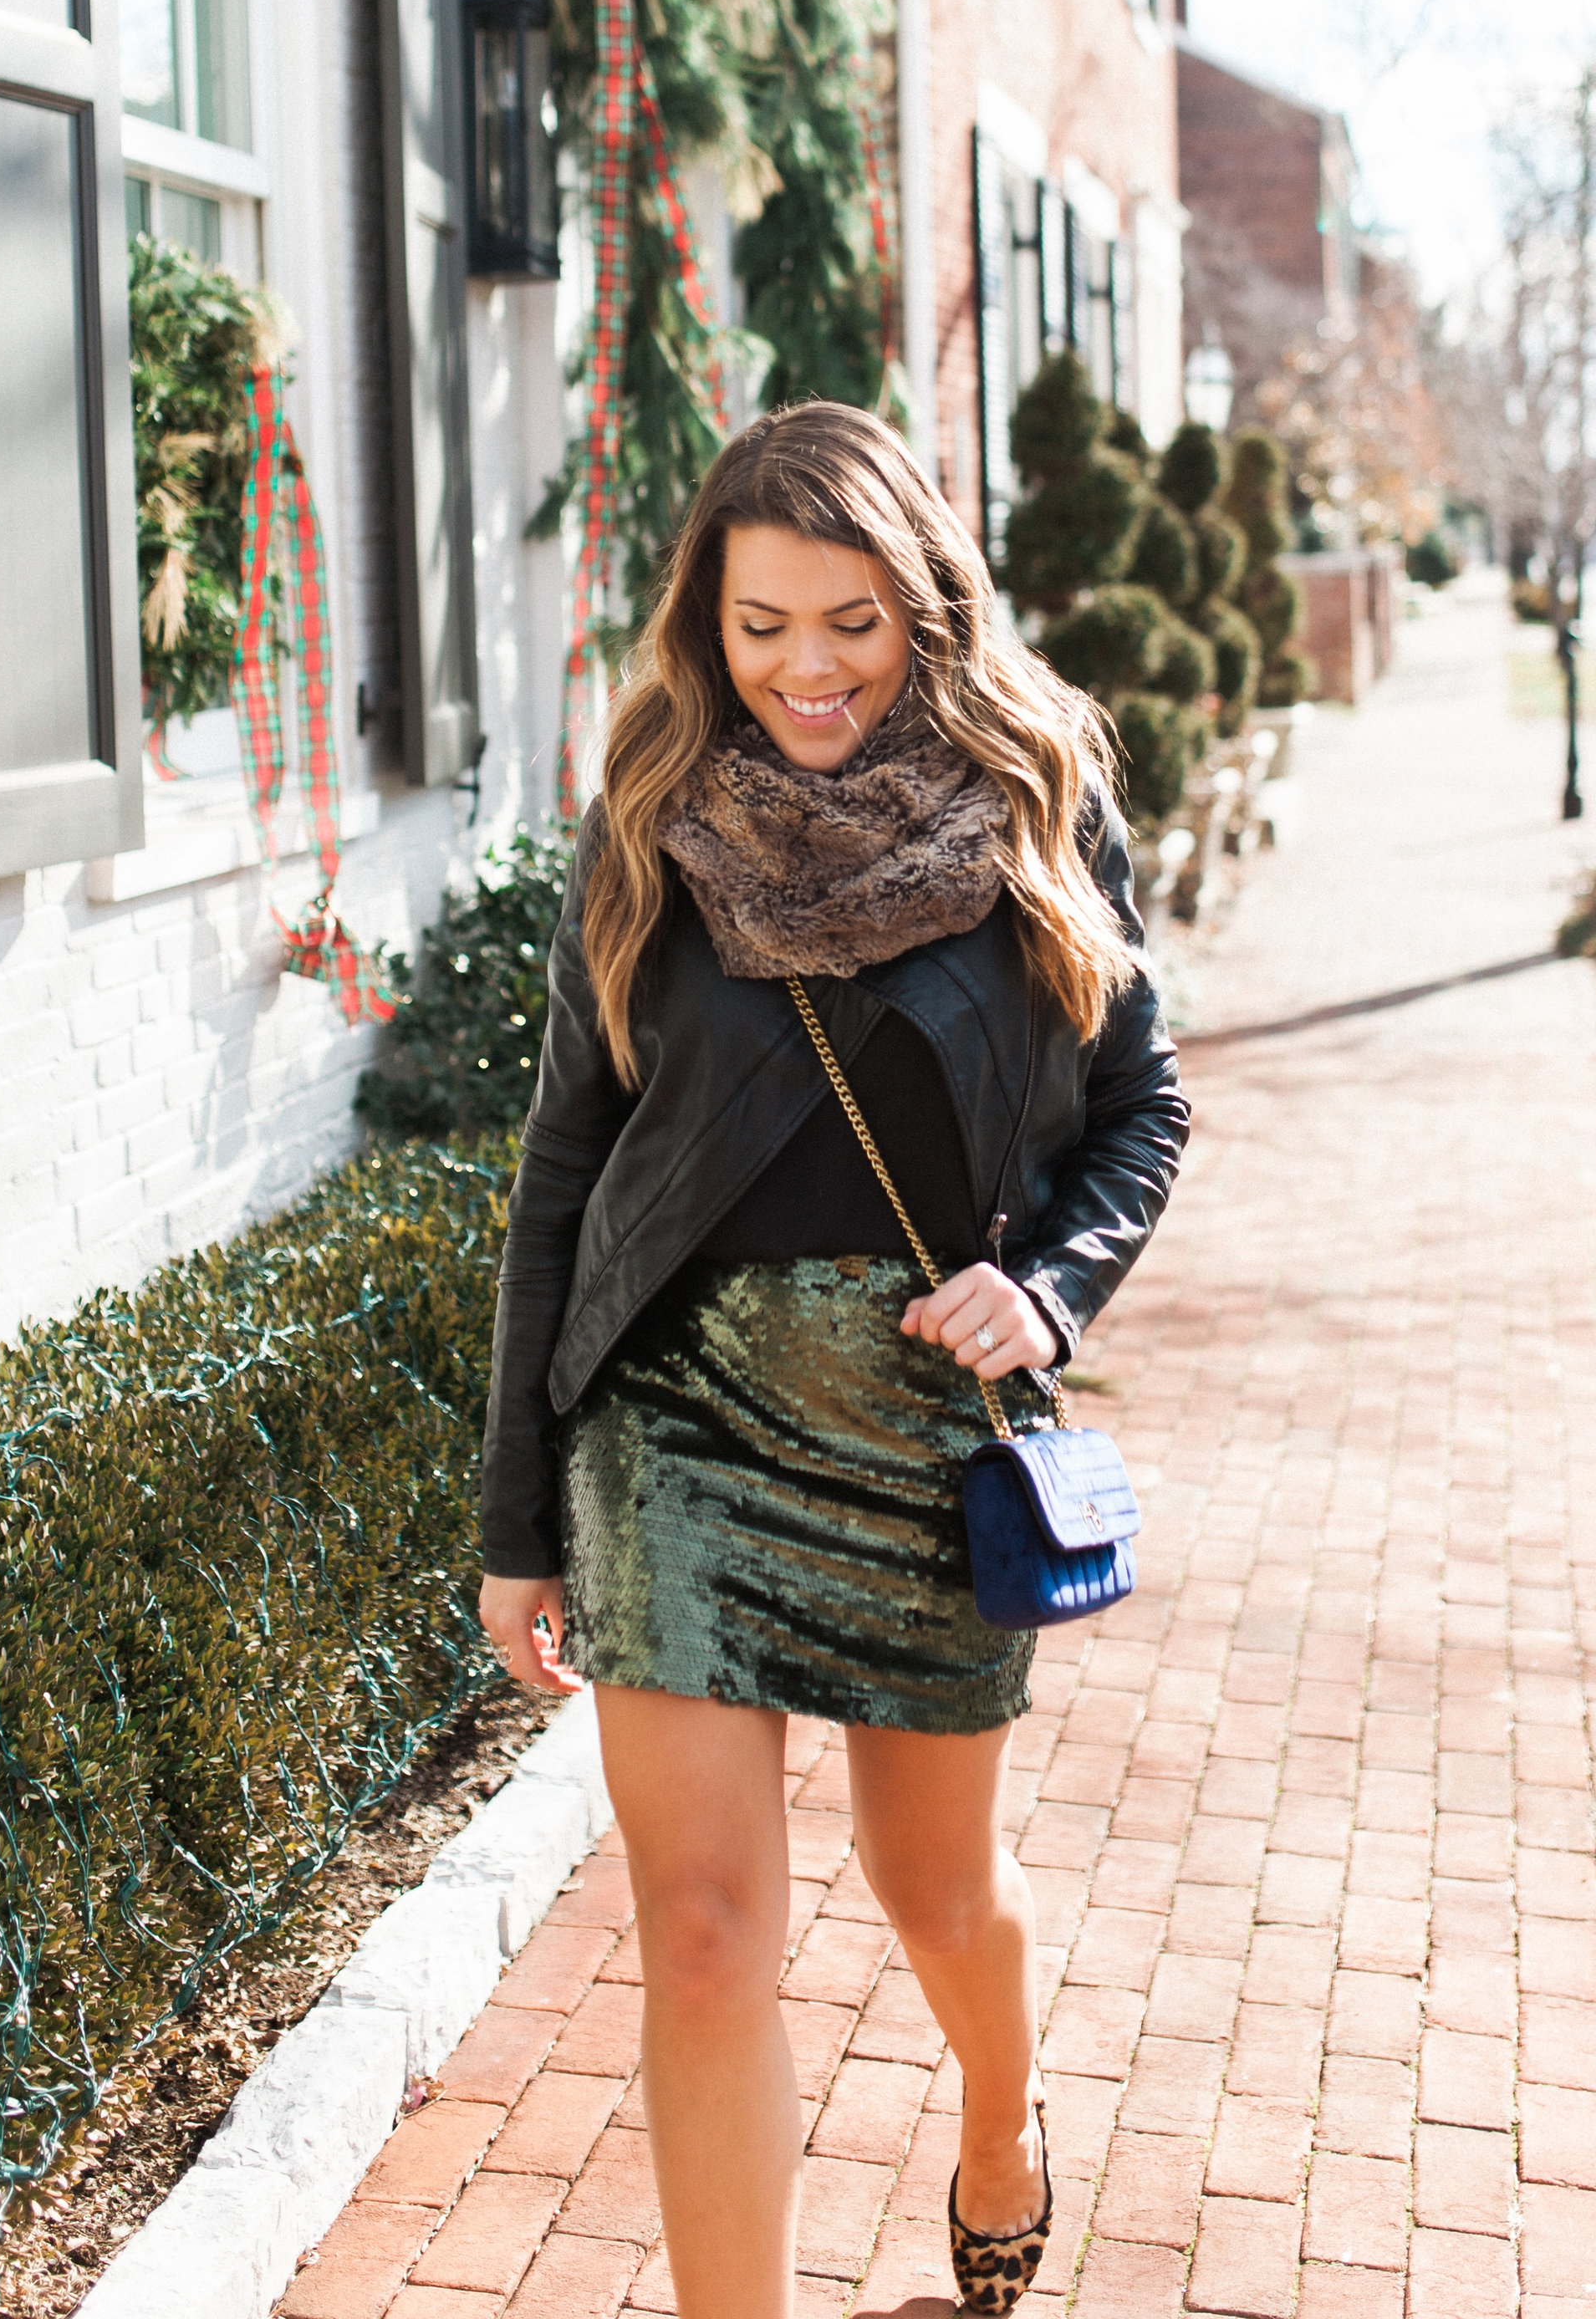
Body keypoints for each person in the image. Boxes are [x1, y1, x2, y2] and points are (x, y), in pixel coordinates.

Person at [478, 401, 1189, 2319]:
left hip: (919, 1421)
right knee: (701, 1937)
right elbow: (563, 1174)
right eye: (763, 622)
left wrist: (1043, 1288)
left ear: (926, 606)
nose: (805, 668)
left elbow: (1141, 1109)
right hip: (677, 1421)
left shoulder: (1033, 795)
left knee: (932, 1888)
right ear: (707, 620)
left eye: (853, 622)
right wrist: (515, 1512)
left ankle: (999, 2110)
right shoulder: (649, 818)